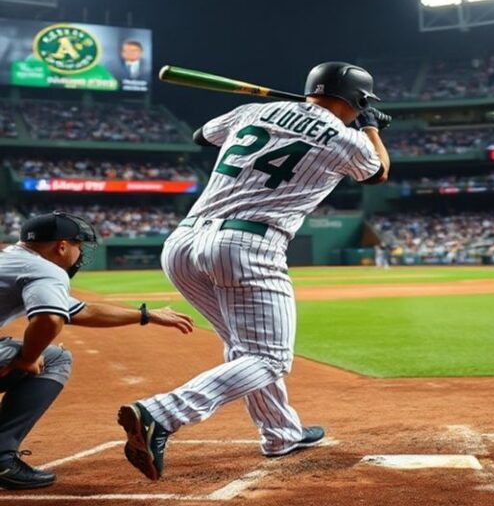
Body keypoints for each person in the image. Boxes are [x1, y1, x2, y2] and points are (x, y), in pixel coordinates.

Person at [118, 61, 391, 480]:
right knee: (268, 358)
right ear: (357, 100)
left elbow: (201, 136)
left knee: (243, 347)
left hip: (182, 244)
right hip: (247, 247)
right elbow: (379, 172)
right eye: (362, 105)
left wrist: (281, 117)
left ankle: (281, 433)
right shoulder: (348, 139)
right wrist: (370, 126)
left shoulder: (252, 111)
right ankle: (161, 413)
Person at [0, 212, 193, 490]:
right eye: (78, 245)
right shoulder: (45, 269)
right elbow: (50, 319)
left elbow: (82, 311)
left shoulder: (13, 260)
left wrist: (146, 315)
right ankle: (2, 458)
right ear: (62, 246)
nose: (80, 253)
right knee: (56, 359)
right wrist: (28, 359)